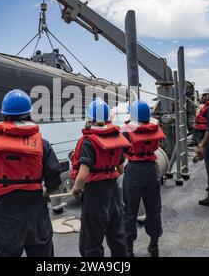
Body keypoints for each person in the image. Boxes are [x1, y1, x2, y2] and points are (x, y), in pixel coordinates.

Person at [0, 89, 62, 257]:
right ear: (28, 114)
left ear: (4, 115)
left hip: (6, 211)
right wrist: (44, 196)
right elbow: (54, 181)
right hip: (37, 210)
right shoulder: (43, 145)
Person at [70, 98, 131, 257]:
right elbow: (120, 169)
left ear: (89, 118)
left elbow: (82, 176)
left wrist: (76, 190)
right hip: (114, 191)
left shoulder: (88, 142)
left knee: (91, 241)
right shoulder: (116, 137)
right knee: (117, 235)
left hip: (95, 194)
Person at [121, 100, 165, 257]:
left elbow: (121, 150)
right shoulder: (155, 127)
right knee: (154, 208)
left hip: (134, 170)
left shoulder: (126, 131)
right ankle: (154, 246)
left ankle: (129, 250)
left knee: (129, 210)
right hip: (152, 169)